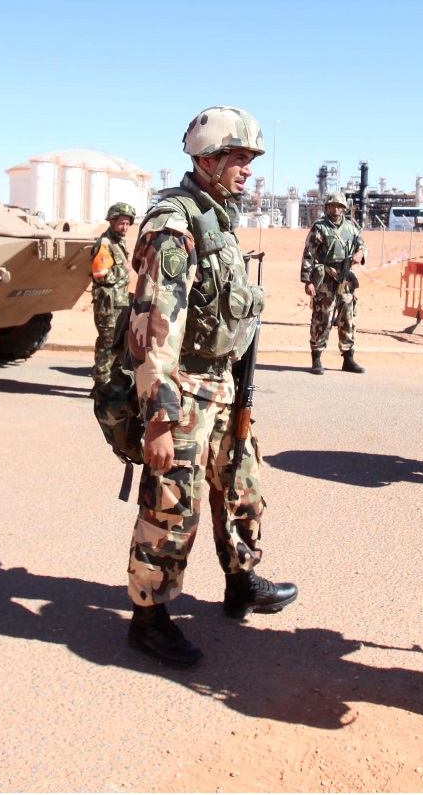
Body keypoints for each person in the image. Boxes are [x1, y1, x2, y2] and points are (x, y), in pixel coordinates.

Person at [125, 106, 297, 667]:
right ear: (207, 159)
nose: (248, 170)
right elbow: (155, 328)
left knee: (242, 488)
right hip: (183, 389)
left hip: (222, 386)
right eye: (239, 159)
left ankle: (241, 581)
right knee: (173, 507)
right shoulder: (172, 225)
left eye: (250, 160)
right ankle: (148, 615)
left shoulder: (216, 218)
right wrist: (159, 418)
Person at [300, 190, 367, 375]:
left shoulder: (351, 228)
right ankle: (316, 357)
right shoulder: (320, 227)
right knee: (322, 317)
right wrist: (308, 280)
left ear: (344, 208)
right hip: (325, 280)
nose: (336, 209)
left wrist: (360, 254)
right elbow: (309, 254)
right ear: (327, 207)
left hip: (345, 278)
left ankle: (348, 357)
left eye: (339, 206)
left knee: (348, 317)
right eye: (332, 206)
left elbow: (362, 244)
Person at [89, 202, 136, 387]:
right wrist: (124, 269)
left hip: (120, 302)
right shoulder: (105, 244)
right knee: (107, 345)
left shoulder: (118, 243)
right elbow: (100, 275)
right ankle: (100, 385)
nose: (124, 227)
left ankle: (114, 386)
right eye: (121, 223)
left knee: (119, 346)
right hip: (107, 305)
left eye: (127, 223)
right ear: (111, 221)